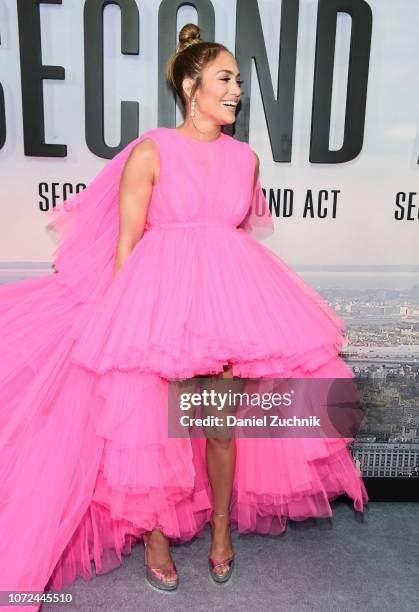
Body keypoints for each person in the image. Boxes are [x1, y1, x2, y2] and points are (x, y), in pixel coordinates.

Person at [0, 22, 368, 605]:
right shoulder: (151, 151)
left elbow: (235, 239)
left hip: (223, 306)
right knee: (151, 430)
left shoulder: (246, 159)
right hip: (157, 308)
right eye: (225, 79)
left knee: (220, 425)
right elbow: (126, 244)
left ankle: (221, 526)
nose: (237, 91)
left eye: (240, 82)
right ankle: (156, 542)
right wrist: (128, 328)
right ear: (191, 86)